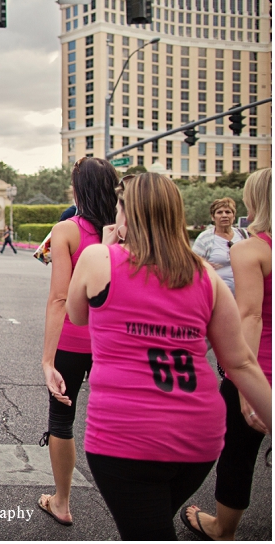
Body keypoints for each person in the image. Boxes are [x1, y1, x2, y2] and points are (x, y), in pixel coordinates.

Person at [67, 173, 271, 541]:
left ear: (128, 216)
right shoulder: (205, 276)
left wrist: (108, 243)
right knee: (152, 520)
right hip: (199, 439)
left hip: (126, 437)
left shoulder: (99, 258)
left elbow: (78, 315)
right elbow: (241, 363)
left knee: (148, 529)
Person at [184, 168, 272, 540]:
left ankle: (223, 527)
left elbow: (251, 315)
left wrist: (241, 384)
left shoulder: (251, 248)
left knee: (237, 451)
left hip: (262, 364)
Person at [36, 156, 118, 527]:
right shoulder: (126, 230)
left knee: (62, 419)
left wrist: (47, 359)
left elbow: (59, 299)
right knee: (116, 419)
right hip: (113, 340)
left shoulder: (67, 230)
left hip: (72, 337)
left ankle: (63, 502)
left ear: (77, 189)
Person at [191, 197, 248, 296]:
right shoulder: (204, 238)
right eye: (219, 212)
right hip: (216, 294)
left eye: (228, 212)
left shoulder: (243, 234)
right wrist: (205, 265)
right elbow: (192, 264)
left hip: (243, 293)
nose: (224, 215)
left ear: (234, 216)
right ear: (213, 217)